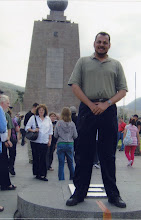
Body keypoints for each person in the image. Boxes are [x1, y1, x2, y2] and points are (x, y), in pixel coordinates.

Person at [66, 32, 128, 208]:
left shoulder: (116, 64)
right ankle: (79, 193)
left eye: (105, 42)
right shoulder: (83, 62)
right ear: (94, 43)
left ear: (109, 45)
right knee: (83, 152)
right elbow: (75, 85)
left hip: (108, 110)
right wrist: (90, 104)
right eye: (99, 42)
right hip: (87, 109)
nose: (102, 45)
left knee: (108, 154)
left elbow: (123, 90)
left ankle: (113, 195)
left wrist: (106, 104)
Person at [25, 104, 53, 181]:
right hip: (35, 141)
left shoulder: (48, 119)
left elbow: (50, 131)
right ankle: (37, 173)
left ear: (45, 111)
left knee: (44, 158)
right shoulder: (33, 118)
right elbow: (27, 127)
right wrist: (33, 130)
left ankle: (43, 174)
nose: (41, 112)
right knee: (36, 157)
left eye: (42, 110)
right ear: (37, 111)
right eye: (40, 110)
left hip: (44, 141)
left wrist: (50, 140)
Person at [54, 107, 78, 180]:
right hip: (70, 143)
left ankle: (61, 178)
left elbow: (55, 135)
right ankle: (73, 177)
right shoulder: (72, 124)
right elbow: (75, 135)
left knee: (61, 163)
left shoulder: (59, 123)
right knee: (70, 162)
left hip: (61, 143)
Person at [0, 95, 16, 191]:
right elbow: (2, 128)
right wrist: (6, 140)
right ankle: (6, 184)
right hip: (1, 142)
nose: (8, 105)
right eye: (7, 103)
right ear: (2, 103)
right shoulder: (1, 111)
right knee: (3, 163)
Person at [7, 108, 20, 175]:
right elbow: (17, 129)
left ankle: (6, 165)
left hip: (4, 137)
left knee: (4, 153)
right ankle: (11, 167)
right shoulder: (13, 120)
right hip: (12, 138)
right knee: (12, 154)